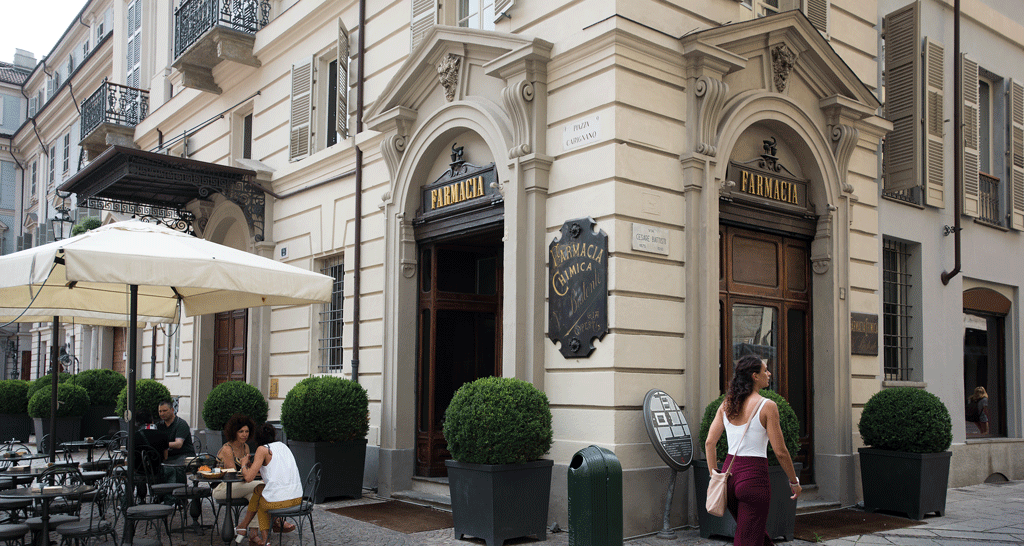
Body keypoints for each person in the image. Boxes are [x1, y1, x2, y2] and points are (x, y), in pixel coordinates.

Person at [704, 355, 802, 546]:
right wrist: (794, 481)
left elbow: (709, 443)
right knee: (748, 538)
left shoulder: (727, 404)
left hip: (729, 477)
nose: (769, 373)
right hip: (754, 478)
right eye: (765, 370)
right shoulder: (768, 406)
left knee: (752, 533)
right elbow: (780, 451)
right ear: (755, 376)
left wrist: (714, 476)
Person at [235, 423, 301, 546]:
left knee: (262, 502)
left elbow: (248, 478)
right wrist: (254, 466)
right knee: (259, 489)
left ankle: (265, 540)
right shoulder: (283, 446)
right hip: (297, 498)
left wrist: (244, 464)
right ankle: (244, 527)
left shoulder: (263, 449)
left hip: (282, 501)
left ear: (257, 439)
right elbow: (275, 468)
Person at [213, 414, 261, 503]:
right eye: (241, 431)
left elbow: (247, 471)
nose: (244, 435)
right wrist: (246, 468)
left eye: (247, 431)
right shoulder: (227, 449)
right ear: (234, 432)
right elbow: (233, 474)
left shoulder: (245, 447)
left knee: (258, 498)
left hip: (241, 485)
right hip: (223, 487)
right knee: (261, 485)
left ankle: (264, 517)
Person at [134, 409, 169, 501]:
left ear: (137, 423)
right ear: (152, 421)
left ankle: (140, 498)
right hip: (156, 471)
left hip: (138, 472)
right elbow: (165, 457)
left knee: (134, 473)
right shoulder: (163, 435)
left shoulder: (133, 437)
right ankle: (158, 496)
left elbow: (129, 458)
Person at [157, 399, 195, 483]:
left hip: (184, 455)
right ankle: (159, 492)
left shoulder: (181, 424)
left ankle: (178, 491)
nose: (162, 413)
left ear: (172, 410)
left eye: (164, 411)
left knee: (174, 467)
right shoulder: (159, 425)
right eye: (160, 411)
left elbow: (178, 444)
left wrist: (161, 443)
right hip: (168, 456)